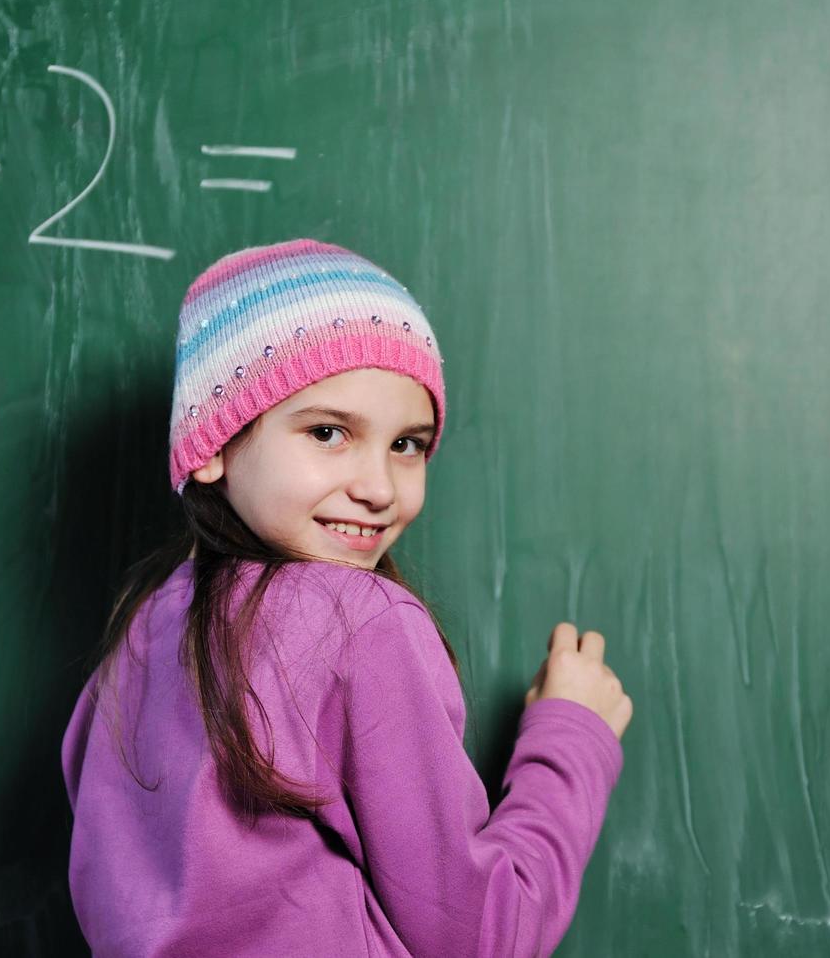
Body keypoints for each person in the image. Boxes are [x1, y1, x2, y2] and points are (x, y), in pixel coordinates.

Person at [61, 238, 633, 956]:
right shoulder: (360, 623)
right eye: (329, 432)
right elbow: (482, 936)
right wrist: (571, 735)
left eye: (408, 444)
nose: (380, 487)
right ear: (212, 440)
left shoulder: (140, 634)